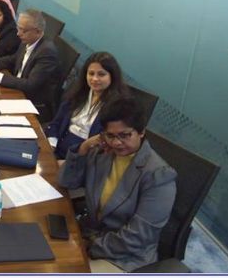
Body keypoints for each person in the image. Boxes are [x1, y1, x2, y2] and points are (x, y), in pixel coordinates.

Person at [58, 97, 177, 272]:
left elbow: (137, 237)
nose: (116, 142)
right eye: (110, 135)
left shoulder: (159, 175)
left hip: (123, 257)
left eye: (125, 135)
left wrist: (90, 246)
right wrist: (83, 148)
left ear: (141, 132)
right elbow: (67, 182)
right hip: (87, 235)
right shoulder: (102, 152)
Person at [46, 52, 129, 159]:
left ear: (112, 77)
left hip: (84, 157)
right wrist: (51, 145)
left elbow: (103, 146)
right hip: (57, 146)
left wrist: (70, 162)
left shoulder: (118, 107)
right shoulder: (78, 92)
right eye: (91, 73)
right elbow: (56, 123)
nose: (94, 79)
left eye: (101, 74)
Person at [0, 9, 60, 121]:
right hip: (16, 91)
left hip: (33, 104)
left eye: (23, 30)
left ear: (37, 31)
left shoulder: (47, 52)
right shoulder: (28, 41)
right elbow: (14, 59)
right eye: (18, 28)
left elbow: (30, 85)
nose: (18, 33)